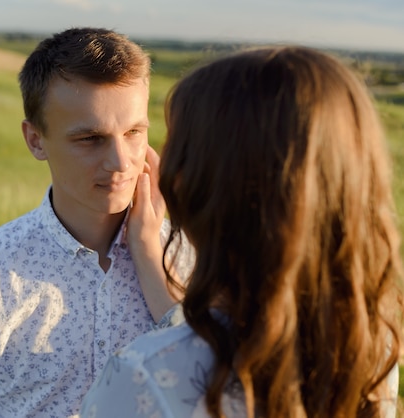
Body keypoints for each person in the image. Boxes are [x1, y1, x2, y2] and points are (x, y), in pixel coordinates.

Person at [80, 45, 402, 417]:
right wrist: (150, 253)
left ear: (200, 182)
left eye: (178, 146)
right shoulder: (369, 348)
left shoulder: (142, 377)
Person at [0, 27, 194, 417]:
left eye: (134, 132)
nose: (120, 162)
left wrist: (154, 259)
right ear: (35, 140)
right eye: (90, 139)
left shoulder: (192, 262)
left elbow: (219, 392)